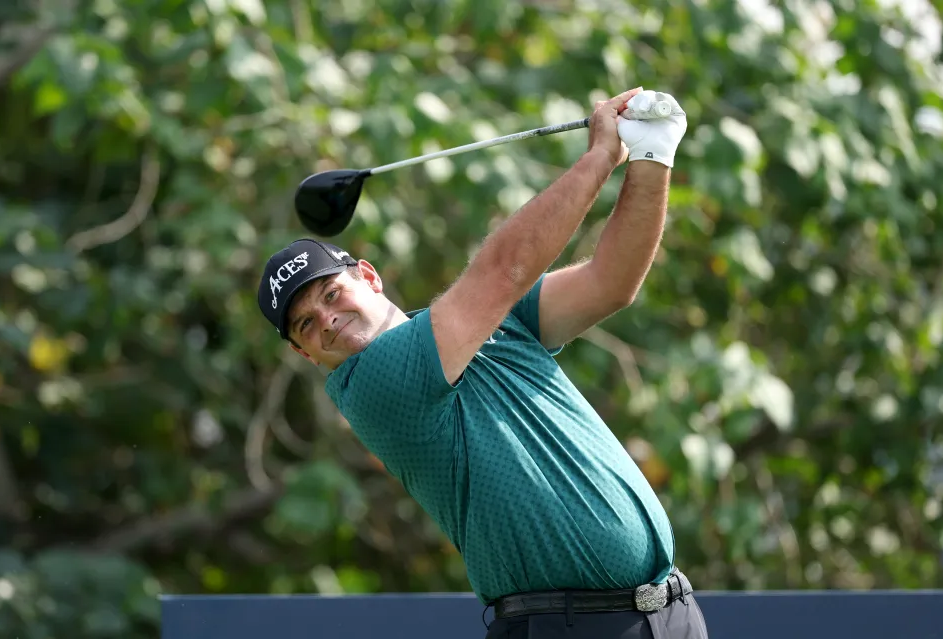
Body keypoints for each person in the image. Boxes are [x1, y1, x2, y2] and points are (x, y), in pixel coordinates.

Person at [257, 87, 707, 638]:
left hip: (670, 614)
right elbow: (503, 270)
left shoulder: (480, 323)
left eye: (330, 294)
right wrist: (600, 156)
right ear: (305, 353)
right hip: (561, 628)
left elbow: (609, 283)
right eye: (305, 324)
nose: (326, 319)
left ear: (369, 277)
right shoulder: (369, 385)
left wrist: (651, 157)